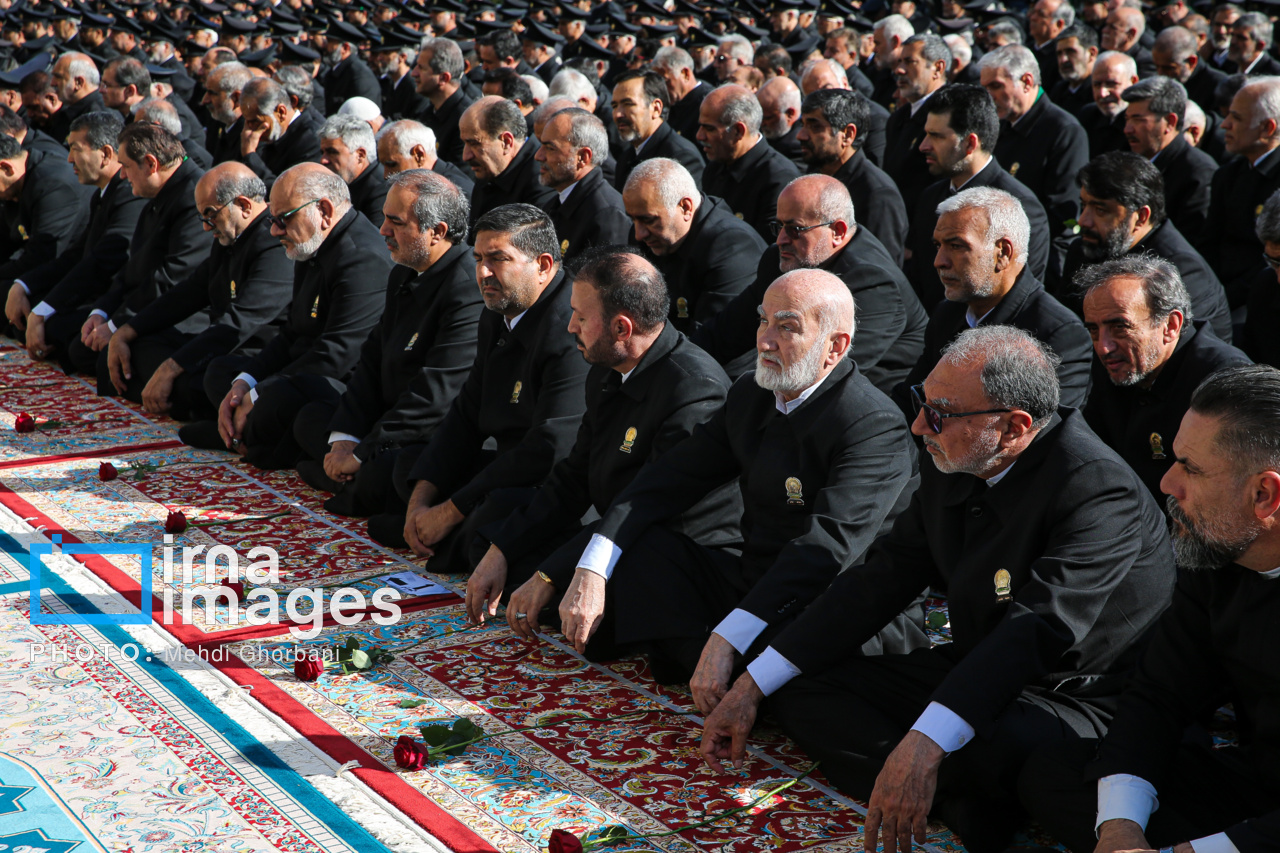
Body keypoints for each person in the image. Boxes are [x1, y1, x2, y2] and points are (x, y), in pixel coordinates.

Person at [703, 322, 1173, 853]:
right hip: (972, 661)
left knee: (999, 752)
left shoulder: (1097, 488)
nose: (919, 426)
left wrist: (925, 744)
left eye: (940, 413)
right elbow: (880, 580)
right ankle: (952, 798)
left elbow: (1036, 630)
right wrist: (752, 684)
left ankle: (941, 782)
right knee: (796, 684)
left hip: (1068, 693)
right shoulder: (957, 455)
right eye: (921, 403)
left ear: (1014, 427)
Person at [543, 267, 921, 692]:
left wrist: (728, 635)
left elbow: (823, 553)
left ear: (835, 347)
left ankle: (729, 667)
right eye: (763, 320)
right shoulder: (751, 394)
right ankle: (723, 667)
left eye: (787, 327)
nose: (764, 340)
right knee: (642, 547)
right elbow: (666, 481)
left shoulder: (872, 425)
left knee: (804, 688)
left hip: (830, 599)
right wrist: (593, 567)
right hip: (752, 580)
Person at [1020, 364, 1280, 853]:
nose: (1167, 483)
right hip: (1259, 781)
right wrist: (1121, 829)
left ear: (1264, 494)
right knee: (1059, 771)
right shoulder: (1220, 553)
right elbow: (1159, 693)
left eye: (1191, 469)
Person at [468, 248, 738, 637]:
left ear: (622, 328)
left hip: (672, 547)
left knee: (588, 592)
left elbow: (646, 504)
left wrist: (549, 575)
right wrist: (503, 549)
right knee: (494, 532)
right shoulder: (606, 370)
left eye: (580, 317)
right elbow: (574, 476)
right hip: (614, 528)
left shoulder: (694, 389)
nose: (570, 327)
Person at [365, 204, 589, 566]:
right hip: (504, 464)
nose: (483, 272)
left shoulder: (568, 328)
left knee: (496, 511)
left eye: (498, 259)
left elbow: (547, 450)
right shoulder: (497, 312)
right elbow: (466, 413)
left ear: (543, 266)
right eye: (478, 259)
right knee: (409, 463)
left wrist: (451, 510)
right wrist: (421, 502)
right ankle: (437, 531)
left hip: (551, 482)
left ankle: (452, 540)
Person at [293, 169, 481, 518]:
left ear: (437, 231)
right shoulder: (403, 272)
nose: (382, 230)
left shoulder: (466, 288)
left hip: (423, 434)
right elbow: (370, 361)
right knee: (308, 414)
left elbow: (435, 395)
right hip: (384, 420)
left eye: (396, 222)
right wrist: (347, 439)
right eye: (384, 218)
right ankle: (346, 476)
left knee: (386, 471)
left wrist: (362, 453)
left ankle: (346, 480)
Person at [181, 163, 393, 468]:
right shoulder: (311, 242)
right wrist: (246, 383)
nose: (274, 230)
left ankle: (251, 439)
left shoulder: (362, 258)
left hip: (341, 382)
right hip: (302, 368)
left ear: (323, 210)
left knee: (281, 400)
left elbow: (336, 356)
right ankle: (248, 434)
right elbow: (292, 332)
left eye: (283, 219)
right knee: (222, 372)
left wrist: (260, 393)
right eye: (272, 219)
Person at [694, 175, 927, 394]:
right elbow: (726, 332)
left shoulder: (873, 282)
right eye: (779, 226)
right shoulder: (781, 260)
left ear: (837, 231)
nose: (781, 239)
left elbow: (828, 372)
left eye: (795, 230)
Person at [101, 162, 293, 419]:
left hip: (252, 353)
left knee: (205, 378)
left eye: (211, 215)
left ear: (244, 206)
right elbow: (190, 291)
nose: (205, 226)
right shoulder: (229, 236)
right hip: (218, 347)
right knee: (136, 346)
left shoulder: (273, 244)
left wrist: (171, 368)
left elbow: (241, 321)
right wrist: (127, 330)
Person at [896, 187, 1093, 415]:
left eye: (956, 246)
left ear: (1003, 253)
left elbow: (1046, 429)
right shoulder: (947, 315)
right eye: (938, 246)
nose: (939, 261)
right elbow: (910, 402)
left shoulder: (1058, 334)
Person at [1079, 254, 1250, 505]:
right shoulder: (1116, 363)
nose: (1104, 347)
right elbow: (1090, 453)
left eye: (1120, 327)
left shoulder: (1225, 380)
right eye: (1094, 330)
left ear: (1170, 325)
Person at [67, 123, 212, 378]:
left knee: (108, 358)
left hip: (185, 314)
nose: (122, 175)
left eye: (125, 166)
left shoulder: (193, 196)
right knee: (81, 345)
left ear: (150, 164)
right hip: (149, 305)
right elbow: (134, 268)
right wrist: (102, 312)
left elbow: (173, 277)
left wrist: (118, 325)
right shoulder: (162, 193)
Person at [6, 111, 143, 364]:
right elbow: (77, 254)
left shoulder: (128, 195)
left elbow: (103, 261)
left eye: (76, 149)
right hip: (97, 295)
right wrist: (23, 285)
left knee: (60, 332)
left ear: (106, 154)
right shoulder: (102, 193)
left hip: (118, 299)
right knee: (24, 311)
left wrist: (45, 310)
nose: (69, 158)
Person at [1056, 152, 1232, 342]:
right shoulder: (1086, 249)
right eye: (1083, 205)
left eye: (1100, 210)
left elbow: (1174, 348)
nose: (1083, 221)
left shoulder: (1182, 270)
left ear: (1140, 217)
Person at [908, 83, 1052, 309]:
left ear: (970, 143)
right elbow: (919, 281)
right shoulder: (930, 198)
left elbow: (1021, 298)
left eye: (936, 136)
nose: (923, 146)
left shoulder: (1020, 207)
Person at [622, 157, 766, 336]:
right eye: (633, 219)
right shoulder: (646, 236)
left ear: (685, 207)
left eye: (649, 220)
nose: (638, 234)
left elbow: (710, 339)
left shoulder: (732, 246)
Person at [979, 45, 1089, 272]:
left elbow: (1060, 216)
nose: (988, 97)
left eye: (996, 86)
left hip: (1038, 262)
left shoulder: (1064, 130)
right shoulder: (1001, 126)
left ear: (1027, 82)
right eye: (984, 88)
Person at [797, 88, 908, 267]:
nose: (801, 135)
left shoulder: (877, 194)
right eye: (802, 125)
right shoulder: (814, 176)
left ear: (848, 135)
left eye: (815, 127)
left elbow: (880, 269)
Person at [1199, 75, 1280, 311]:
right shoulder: (1227, 175)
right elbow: (1209, 243)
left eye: (1236, 118)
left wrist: (1226, 299)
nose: (1224, 125)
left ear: (1267, 128)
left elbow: (1270, 260)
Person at [698, 83, 802, 243]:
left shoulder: (779, 179)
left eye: (709, 129)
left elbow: (764, 247)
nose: (700, 136)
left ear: (738, 131)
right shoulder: (715, 167)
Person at [1122, 76, 1217, 238]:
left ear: (1170, 122)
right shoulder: (1129, 161)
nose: (1127, 129)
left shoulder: (1198, 172)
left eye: (1138, 120)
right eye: (1127, 119)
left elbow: (1189, 239)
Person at [0, 128, 90, 291]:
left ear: (6, 168)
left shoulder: (53, 185)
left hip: (72, 278)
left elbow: (41, 257)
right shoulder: (15, 184)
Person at [535, 108, 629, 262]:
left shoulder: (606, 215)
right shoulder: (554, 205)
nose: (538, 156)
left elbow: (607, 275)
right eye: (541, 146)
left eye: (550, 148)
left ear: (582, 157)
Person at [463, 95, 556, 231]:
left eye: (474, 143)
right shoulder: (488, 170)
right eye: (464, 143)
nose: (466, 156)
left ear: (506, 142)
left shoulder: (542, 178)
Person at [883, 33, 952, 205]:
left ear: (937, 68)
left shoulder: (951, 113)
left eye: (909, 62)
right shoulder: (898, 118)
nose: (899, 70)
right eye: (900, 62)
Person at [612, 68, 705, 191]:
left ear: (656, 108)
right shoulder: (627, 157)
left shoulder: (681, 157)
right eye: (614, 106)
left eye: (628, 104)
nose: (618, 114)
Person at [235, 77, 322, 191]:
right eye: (247, 122)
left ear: (281, 112)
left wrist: (250, 155)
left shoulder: (311, 140)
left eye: (255, 121)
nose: (249, 129)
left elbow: (286, 193)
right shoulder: (269, 135)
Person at [413, 38, 475, 168]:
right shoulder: (429, 113)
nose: (414, 73)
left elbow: (459, 174)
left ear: (443, 78)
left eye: (421, 68)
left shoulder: (466, 120)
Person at [320, 114, 388, 228]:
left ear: (360, 155)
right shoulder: (345, 181)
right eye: (322, 152)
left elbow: (374, 237)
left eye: (332, 152)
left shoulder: (381, 192)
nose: (323, 160)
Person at [376, 119, 474, 195]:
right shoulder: (422, 185)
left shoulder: (454, 192)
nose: (386, 175)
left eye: (392, 164)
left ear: (419, 155)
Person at [1152, 24, 1226, 116]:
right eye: (1156, 66)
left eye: (1169, 68)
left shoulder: (1219, 85)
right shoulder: (1160, 80)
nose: (1160, 73)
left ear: (1191, 62)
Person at [1079, 51, 1139, 158]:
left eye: (1111, 84)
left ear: (1133, 82)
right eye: (1097, 85)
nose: (1102, 93)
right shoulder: (1088, 116)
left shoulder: (1142, 123)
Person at [650, 46, 712, 144]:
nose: (660, 88)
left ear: (685, 74)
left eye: (665, 81)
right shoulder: (670, 102)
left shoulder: (708, 102)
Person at [46, 52, 104, 143]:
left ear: (78, 83)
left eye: (58, 77)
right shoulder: (69, 110)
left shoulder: (99, 117)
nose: (52, 83)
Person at [1050, 22, 1100, 118]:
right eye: (1059, 53)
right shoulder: (1059, 90)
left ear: (1092, 53)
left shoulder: (1099, 92)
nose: (1063, 59)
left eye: (1071, 51)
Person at [1101, 7, 1156, 78]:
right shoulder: (1101, 55)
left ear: (1131, 34)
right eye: (1106, 25)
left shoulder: (1145, 62)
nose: (1104, 30)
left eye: (1112, 27)